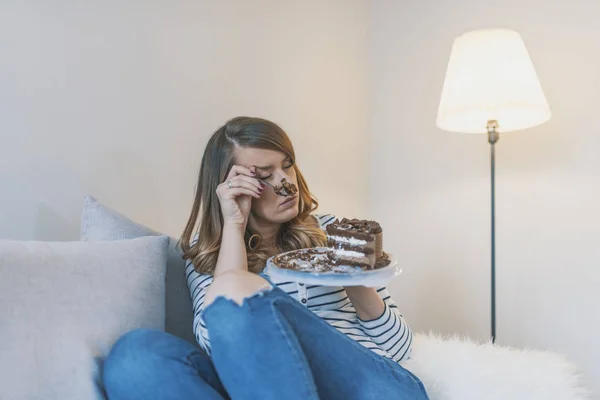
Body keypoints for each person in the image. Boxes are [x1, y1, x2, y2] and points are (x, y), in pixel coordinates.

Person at [102, 117, 429, 400]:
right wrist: (233, 224)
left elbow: (401, 347)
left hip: (372, 385)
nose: (285, 182)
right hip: (263, 388)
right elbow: (216, 338)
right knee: (134, 356)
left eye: (287, 165)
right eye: (263, 175)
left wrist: (351, 275)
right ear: (233, 186)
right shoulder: (210, 253)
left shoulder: (333, 231)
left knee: (239, 295)